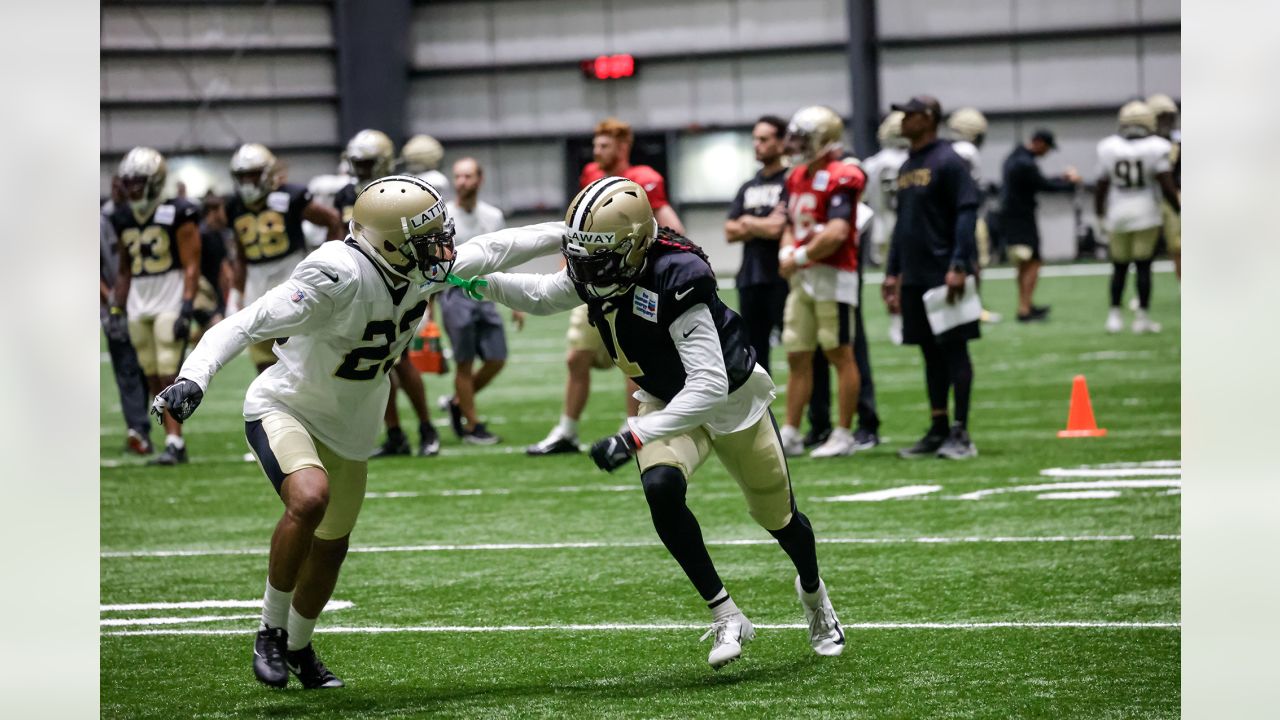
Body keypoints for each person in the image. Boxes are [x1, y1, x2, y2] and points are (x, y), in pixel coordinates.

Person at [151, 175, 567, 690]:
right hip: (287, 407)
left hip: (352, 426)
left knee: (331, 546)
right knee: (309, 499)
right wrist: (194, 375)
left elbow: (498, 247)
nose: (441, 245)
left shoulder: (420, 266)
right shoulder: (336, 273)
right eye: (427, 236)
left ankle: (301, 648)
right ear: (390, 240)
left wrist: (570, 231)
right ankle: (270, 631)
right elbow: (246, 322)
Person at [475, 176, 846, 669]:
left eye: (596, 258)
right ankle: (727, 614)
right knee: (662, 488)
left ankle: (815, 595)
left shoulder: (677, 273)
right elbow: (545, 293)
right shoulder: (605, 264)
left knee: (779, 520)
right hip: (663, 398)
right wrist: (480, 282)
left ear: (633, 247)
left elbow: (709, 385)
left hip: (731, 402)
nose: (584, 269)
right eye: (581, 256)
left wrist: (634, 433)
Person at [528, 117, 686, 456]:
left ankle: (632, 431)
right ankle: (567, 430)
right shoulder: (590, 175)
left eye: (605, 145)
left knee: (632, 358)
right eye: (596, 144)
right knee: (577, 357)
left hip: (630, 283)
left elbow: (668, 224)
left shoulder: (644, 179)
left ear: (623, 146)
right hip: (592, 281)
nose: (597, 150)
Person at [881, 95, 980, 460]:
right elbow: (902, 224)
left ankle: (961, 433)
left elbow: (966, 214)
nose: (902, 121)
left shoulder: (950, 160)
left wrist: (959, 265)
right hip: (915, 275)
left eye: (908, 115)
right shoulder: (910, 163)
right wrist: (892, 273)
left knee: (954, 351)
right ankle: (938, 427)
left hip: (943, 272)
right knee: (929, 353)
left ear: (928, 118)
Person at [335, 130, 442, 457]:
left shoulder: (404, 190)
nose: (360, 169)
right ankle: (395, 433)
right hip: (363, 284)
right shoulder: (345, 194)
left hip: (402, 279)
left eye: (367, 163)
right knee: (376, 362)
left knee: (402, 359)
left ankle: (426, 427)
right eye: (357, 163)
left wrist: (430, 293)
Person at [776, 106, 866, 458]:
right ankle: (792, 431)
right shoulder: (796, 176)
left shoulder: (843, 175)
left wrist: (796, 256)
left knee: (838, 352)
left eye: (804, 138)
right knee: (797, 353)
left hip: (831, 274)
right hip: (802, 276)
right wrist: (786, 252)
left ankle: (844, 433)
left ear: (825, 140)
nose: (795, 144)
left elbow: (838, 232)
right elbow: (788, 225)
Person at [106, 148, 203, 465]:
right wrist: (117, 308)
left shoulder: (178, 211)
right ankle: (171, 441)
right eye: (130, 182)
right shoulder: (121, 216)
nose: (133, 188)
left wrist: (187, 305)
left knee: (168, 371)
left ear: (155, 181)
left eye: (139, 182)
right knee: (150, 374)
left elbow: (191, 263)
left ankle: (175, 441)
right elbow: (124, 269)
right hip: (138, 302)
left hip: (169, 295)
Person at [225, 142, 343, 373]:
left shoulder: (290, 196)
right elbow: (241, 255)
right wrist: (235, 294)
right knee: (262, 360)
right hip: (256, 285)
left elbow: (332, 220)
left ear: (267, 174)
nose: (247, 182)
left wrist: (326, 259)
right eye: (243, 176)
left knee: (299, 359)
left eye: (253, 175)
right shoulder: (233, 205)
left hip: (291, 279)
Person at [436, 157, 522, 444]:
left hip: (487, 289)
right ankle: (472, 426)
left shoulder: (493, 216)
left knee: (497, 358)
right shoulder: (443, 215)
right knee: (465, 362)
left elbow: (504, 255)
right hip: (455, 293)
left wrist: (515, 301)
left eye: (468, 176)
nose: (462, 182)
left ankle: (457, 402)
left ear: (479, 179)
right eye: (458, 177)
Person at [1095, 101, 1180, 334]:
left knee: (1119, 266)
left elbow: (1101, 185)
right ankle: (1141, 317)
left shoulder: (1108, 147)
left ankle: (1114, 316)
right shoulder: (1157, 147)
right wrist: (1179, 209)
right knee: (1143, 266)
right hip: (1146, 211)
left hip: (1118, 211)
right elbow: (1166, 184)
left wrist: (1100, 214)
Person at [724, 115, 790, 375]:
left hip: (781, 277)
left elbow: (778, 229)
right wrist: (757, 223)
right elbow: (729, 231)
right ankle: (761, 412)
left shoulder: (790, 181)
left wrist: (747, 223)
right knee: (754, 353)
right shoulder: (748, 186)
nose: (757, 145)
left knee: (799, 347)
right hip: (750, 278)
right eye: (755, 139)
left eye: (764, 139)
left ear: (781, 142)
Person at [998, 129, 1081, 321]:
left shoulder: (1014, 156)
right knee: (1033, 262)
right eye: (1048, 147)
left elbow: (1037, 182)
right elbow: (1043, 184)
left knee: (1024, 263)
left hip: (1012, 215)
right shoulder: (1025, 163)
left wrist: (1061, 179)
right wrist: (1070, 183)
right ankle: (1024, 309)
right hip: (1022, 217)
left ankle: (1025, 306)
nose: (1048, 152)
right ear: (1040, 143)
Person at [101, 208, 153, 456]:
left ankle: (142, 428)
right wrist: (113, 302)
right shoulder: (103, 220)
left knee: (148, 367)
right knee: (127, 368)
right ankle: (138, 429)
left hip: (146, 304)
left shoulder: (136, 217)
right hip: (118, 307)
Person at [947, 107, 1002, 324]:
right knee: (973, 264)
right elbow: (971, 187)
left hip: (947, 216)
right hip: (966, 214)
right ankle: (973, 308)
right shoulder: (968, 152)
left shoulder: (948, 149)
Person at [861, 111, 909, 344]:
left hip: (881, 226)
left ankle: (897, 324)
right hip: (906, 227)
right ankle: (903, 324)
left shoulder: (871, 163)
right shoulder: (910, 161)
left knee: (890, 280)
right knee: (905, 280)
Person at [1146, 93, 1181, 281]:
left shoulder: (1178, 142)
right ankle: (1142, 293)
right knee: (1144, 250)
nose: (1166, 122)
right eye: (1161, 117)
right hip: (1148, 199)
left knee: (1179, 246)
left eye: (1169, 117)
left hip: (1171, 198)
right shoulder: (1143, 143)